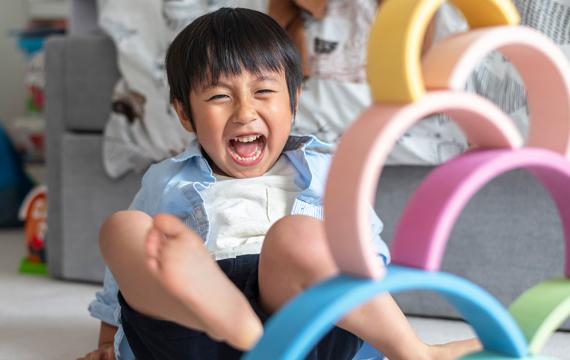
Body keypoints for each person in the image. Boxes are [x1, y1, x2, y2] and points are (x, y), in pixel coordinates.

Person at [81, 8, 480, 360]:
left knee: (298, 237)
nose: (244, 111)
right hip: (193, 332)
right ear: (185, 114)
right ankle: (222, 312)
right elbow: (127, 277)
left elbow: (367, 254)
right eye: (220, 95)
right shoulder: (166, 180)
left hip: (299, 330)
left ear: (294, 100)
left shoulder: (328, 172)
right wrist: (108, 340)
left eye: (264, 91)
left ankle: (413, 353)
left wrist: (373, 315)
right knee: (123, 229)